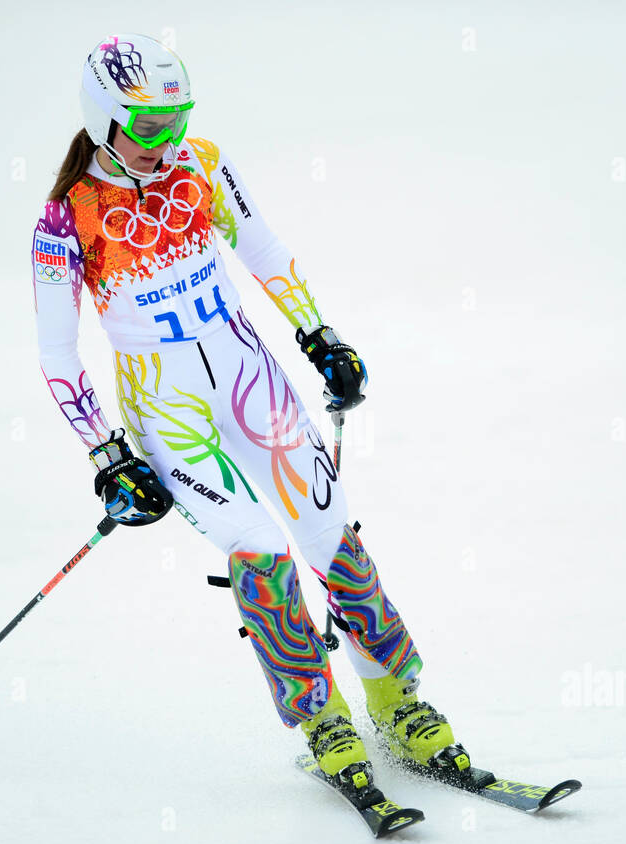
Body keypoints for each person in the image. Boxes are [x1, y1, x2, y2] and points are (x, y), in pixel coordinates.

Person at [31, 33, 470, 792]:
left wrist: (319, 336)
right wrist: (108, 456)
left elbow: (262, 249)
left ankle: (399, 699)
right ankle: (321, 716)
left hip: (252, 382)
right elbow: (58, 353)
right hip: (170, 416)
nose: (163, 143)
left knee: (330, 533)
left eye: (176, 121)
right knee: (261, 547)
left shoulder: (201, 165)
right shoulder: (67, 219)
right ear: (103, 117)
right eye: (145, 127)